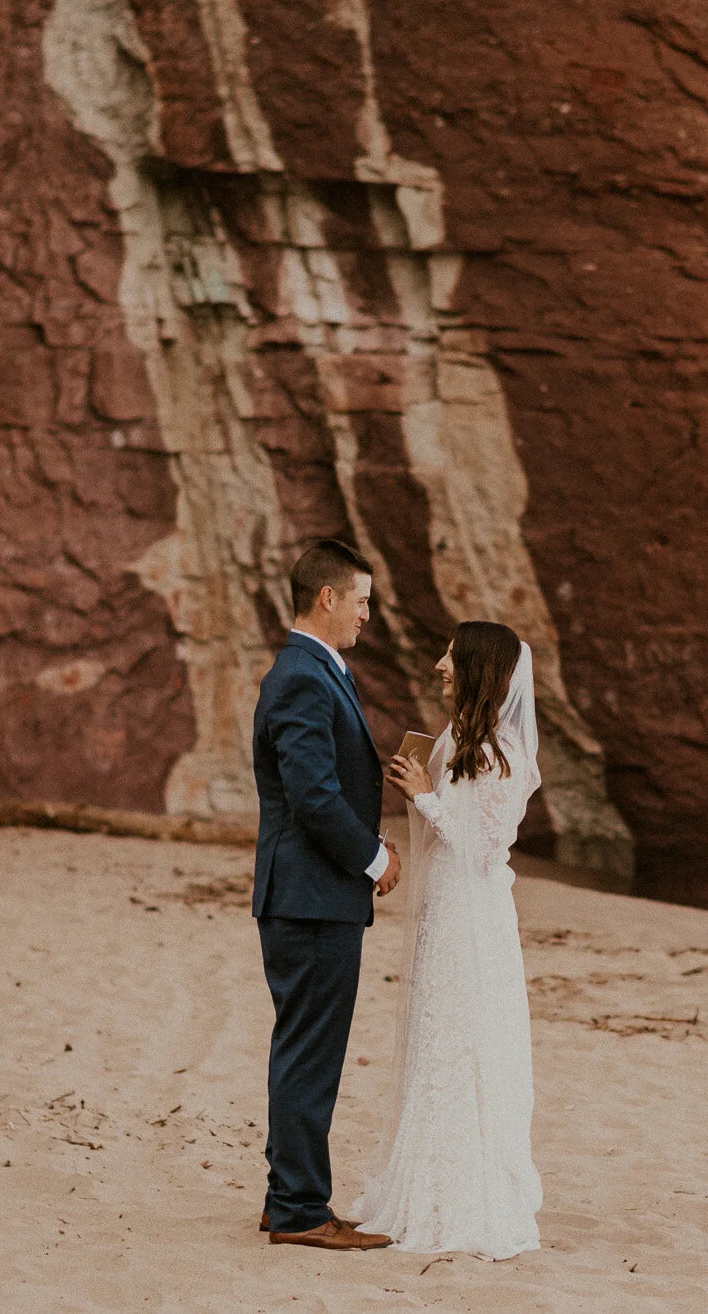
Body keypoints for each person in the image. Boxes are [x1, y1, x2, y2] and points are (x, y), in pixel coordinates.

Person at [353, 620, 543, 1260]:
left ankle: (464, 1197)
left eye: (452, 657)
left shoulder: (500, 754)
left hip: (472, 914)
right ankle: (423, 1183)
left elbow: (484, 850)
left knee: (466, 1040)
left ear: (479, 671)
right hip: (444, 908)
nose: (439, 665)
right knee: (434, 1037)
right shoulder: (462, 740)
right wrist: (426, 794)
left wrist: (428, 799)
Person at [250, 539, 401, 1251]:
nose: (368, 614)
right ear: (328, 597)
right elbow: (312, 793)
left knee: (301, 1047)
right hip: (311, 897)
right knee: (311, 1052)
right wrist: (374, 858)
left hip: (307, 896)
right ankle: (301, 1208)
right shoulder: (304, 675)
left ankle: (288, 1195)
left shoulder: (309, 669)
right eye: (363, 599)